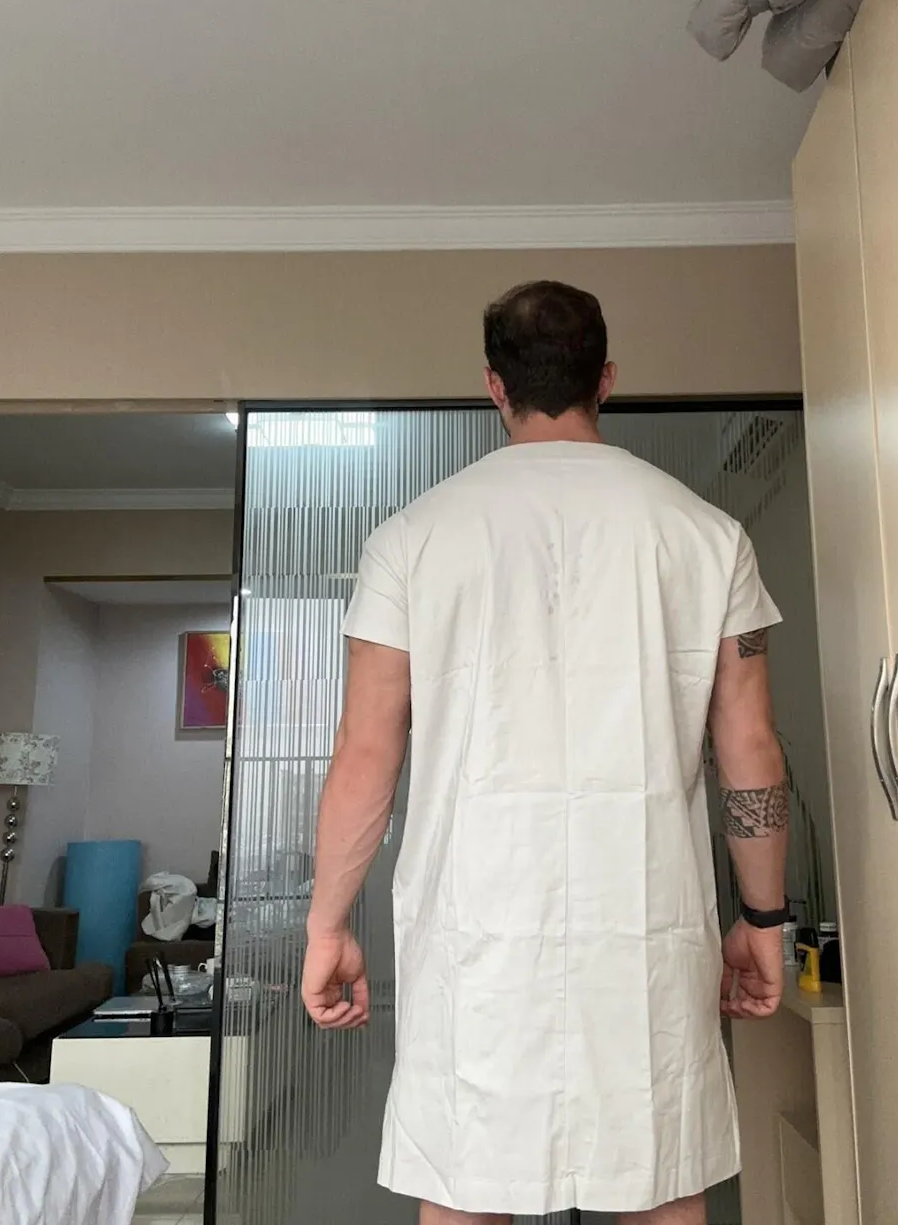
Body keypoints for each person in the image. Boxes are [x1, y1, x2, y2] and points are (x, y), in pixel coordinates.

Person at [303, 280, 789, 1225]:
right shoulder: (708, 537)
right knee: (658, 1181)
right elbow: (750, 749)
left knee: (467, 1186)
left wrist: (328, 924)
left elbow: (365, 754)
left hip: (475, 936)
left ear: (495, 385)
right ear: (606, 378)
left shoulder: (410, 539)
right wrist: (763, 917)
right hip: (643, 929)